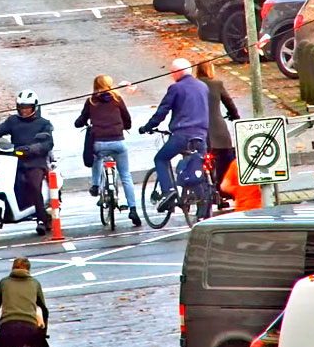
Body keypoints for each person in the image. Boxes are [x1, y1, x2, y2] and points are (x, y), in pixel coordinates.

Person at [0, 90, 53, 236]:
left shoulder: (44, 124)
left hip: (35, 162)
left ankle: (41, 220)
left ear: (34, 107)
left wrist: (32, 149)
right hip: (15, 160)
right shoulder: (13, 121)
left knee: (34, 185)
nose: (24, 110)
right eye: (21, 106)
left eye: (27, 107)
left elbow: (47, 143)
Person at [138, 59, 209, 212]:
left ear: (177, 73)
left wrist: (148, 127)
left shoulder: (176, 88)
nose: (171, 75)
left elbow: (162, 111)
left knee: (161, 159)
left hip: (182, 135)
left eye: (172, 72)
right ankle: (202, 208)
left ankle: (168, 192)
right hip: (202, 135)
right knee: (195, 166)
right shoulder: (203, 87)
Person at [74, 75, 141, 226]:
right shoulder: (117, 99)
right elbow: (127, 119)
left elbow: (81, 120)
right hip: (118, 142)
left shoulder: (91, 101)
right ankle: (133, 208)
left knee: (97, 158)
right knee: (125, 175)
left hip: (100, 143)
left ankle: (96, 185)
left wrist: (80, 122)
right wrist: (123, 126)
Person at [194, 62, 240, 208]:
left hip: (199, 131)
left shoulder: (193, 86)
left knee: (199, 161)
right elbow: (229, 103)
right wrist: (235, 115)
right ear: (210, 71)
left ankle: (202, 195)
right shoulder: (217, 84)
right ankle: (223, 193)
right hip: (218, 131)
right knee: (225, 161)